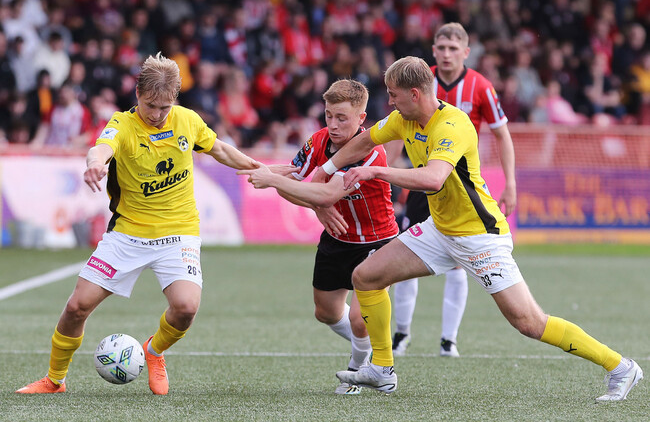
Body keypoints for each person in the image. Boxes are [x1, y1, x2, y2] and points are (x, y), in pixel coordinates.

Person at [318, 56, 642, 401]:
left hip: (479, 237)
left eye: (393, 94)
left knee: (529, 322)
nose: (389, 101)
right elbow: (365, 141)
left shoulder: (452, 125)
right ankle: (382, 369)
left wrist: (375, 171)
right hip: (440, 231)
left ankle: (621, 367)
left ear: (414, 94)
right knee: (366, 276)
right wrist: (326, 169)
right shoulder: (402, 118)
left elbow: (433, 178)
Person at [15, 53, 271, 395]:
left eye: (165, 107)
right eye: (150, 105)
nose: (157, 114)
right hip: (128, 233)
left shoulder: (187, 120)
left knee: (186, 308)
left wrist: (260, 169)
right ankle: (54, 380)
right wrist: (95, 164)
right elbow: (100, 148)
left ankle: (154, 350)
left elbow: (221, 150)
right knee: (77, 306)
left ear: (174, 100)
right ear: (138, 94)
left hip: (178, 231)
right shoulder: (122, 124)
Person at [238, 79, 399, 395]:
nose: (333, 124)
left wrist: (281, 184)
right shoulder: (317, 141)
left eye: (342, 118)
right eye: (328, 115)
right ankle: (372, 345)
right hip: (338, 238)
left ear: (361, 119)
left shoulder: (370, 152)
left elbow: (324, 193)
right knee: (325, 312)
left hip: (377, 241)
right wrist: (271, 176)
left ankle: (357, 371)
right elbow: (294, 180)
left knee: (360, 319)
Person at [390, 22, 517, 357]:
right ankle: (401, 334)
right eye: (441, 48)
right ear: (433, 50)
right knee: (404, 255)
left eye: (453, 49)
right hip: (423, 181)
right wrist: (387, 175)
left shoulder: (481, 87)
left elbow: (502, 135)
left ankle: (449, 340)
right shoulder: (419, 81)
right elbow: (396, 129)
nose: (446, 54)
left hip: (459, 188)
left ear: (466, 52)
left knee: (459, 262)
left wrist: (510, 183)